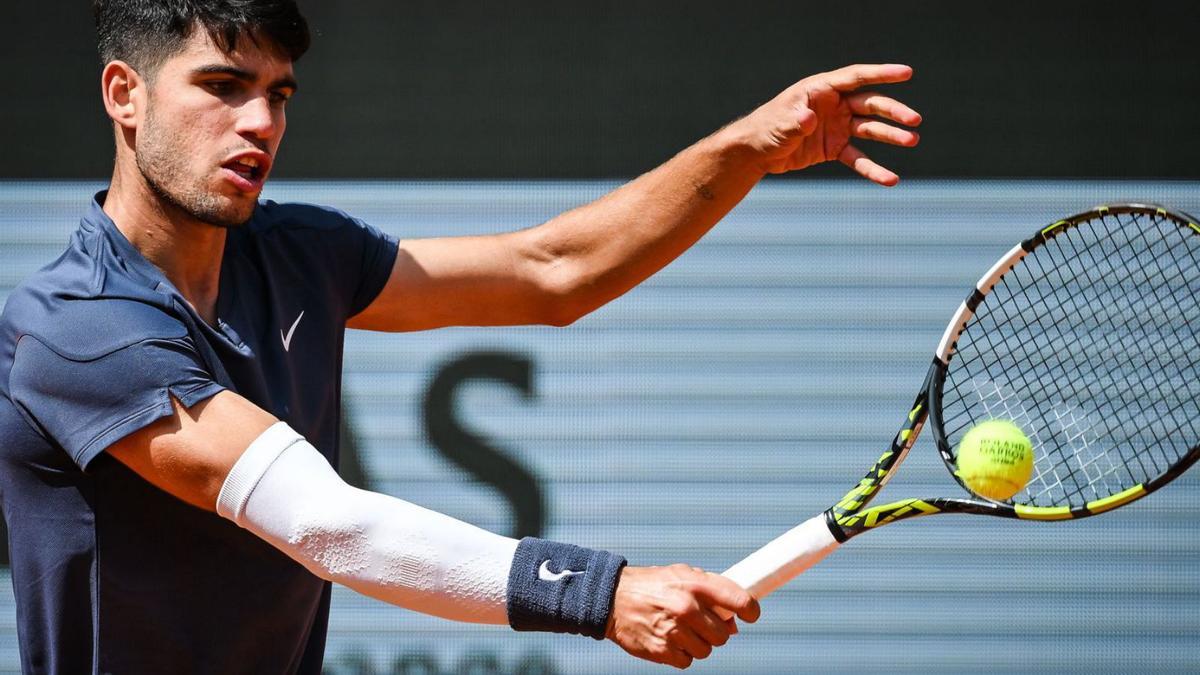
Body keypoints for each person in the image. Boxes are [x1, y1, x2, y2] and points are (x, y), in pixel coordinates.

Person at [0, 1, 920, 673]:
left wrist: (751, 147)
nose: (261, 123)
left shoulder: (297, 253)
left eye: (279, 94)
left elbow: (554, 271)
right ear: (125, 95)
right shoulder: (76, 326)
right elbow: (326, 522)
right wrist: (598, 593)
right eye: (223, 86)